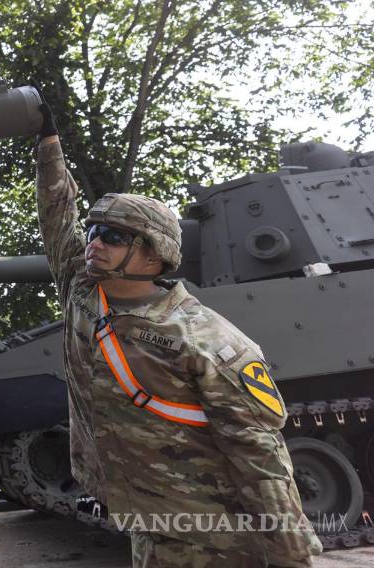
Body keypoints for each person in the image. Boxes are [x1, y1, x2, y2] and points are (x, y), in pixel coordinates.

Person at [33, 102, 321, 567]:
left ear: (154, 255)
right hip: (149, 523)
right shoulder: (84, 294)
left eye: (113, 236)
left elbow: (261, 455)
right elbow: (56, 215)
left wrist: (293, 556)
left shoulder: (207, 340)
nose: (95, 243)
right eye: (94, 232)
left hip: (215, 535)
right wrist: (48, 145)